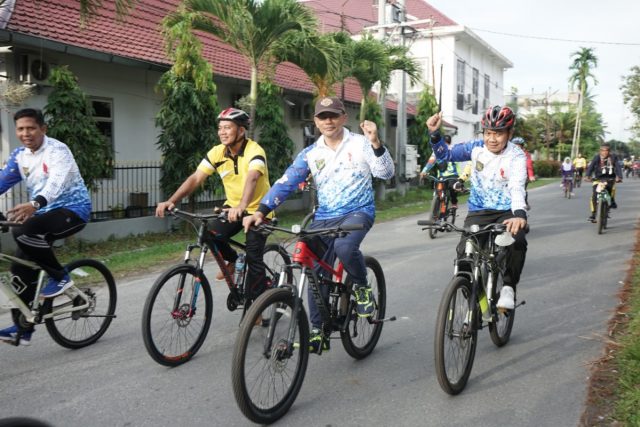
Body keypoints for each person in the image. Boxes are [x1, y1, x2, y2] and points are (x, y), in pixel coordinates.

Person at [243, 96, 394, 352]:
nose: (329, 121)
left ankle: (362, 287)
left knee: (346, 249)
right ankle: (318, 328)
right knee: (311, 267)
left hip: (357, 213)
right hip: (324, 217)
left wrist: (376, 143)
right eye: (323, 117)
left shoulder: (360, 143)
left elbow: (386, 173)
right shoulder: (311, 153)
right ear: (315, 121)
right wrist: (262, 210)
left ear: (344, 117)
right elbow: (287, 182)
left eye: (333, 115)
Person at [155, 107, 271, 306]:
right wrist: (172, 201)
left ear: (241, 131)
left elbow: (252, 178)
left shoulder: (254, 151)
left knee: (254, 258)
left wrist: (242, 206)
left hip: (259, 210)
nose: (222, 132)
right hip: (232, 207)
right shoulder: (217, 152)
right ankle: (233, 260)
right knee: (211, 234)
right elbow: (196, 178)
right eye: (220, 128)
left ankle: (258, 305)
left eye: (228, 127)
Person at [0, 108, 92, 346]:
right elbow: (1, 182)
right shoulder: (20, 156)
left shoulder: (57, 151)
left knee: (21, 230)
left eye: (31, 128)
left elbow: (56, 182)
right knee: (19, 271)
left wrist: (34, 204)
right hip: (42, 215)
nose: (25, 133)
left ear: (43, 128)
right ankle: (24, 328)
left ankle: (61, 277)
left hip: (72, 211)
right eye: (20, 129)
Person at [426, 105, 528, 311]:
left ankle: (508, 287)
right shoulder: (475, 147)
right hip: (479, 212)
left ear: (509, 133)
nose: (492, 139)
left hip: (507, 212)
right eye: (489, 133)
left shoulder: (517, 156)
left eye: (498, 134)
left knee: (517, 241)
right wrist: (435, 134)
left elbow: (517, 186)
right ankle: (476, 296)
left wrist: (519, 215)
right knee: (464, 259)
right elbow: (444, 156)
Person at [419, 134, 469, 209]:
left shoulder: (439, 150)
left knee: (452, 188)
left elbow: (431, 162)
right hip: (447, 176)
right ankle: (444, 203)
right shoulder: (454, 149)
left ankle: (453, 203)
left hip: (451, 176)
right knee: (444, 189)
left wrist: (424, 171)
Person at [585, 143, 623, 222]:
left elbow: (618, 167)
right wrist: (587, 176)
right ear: (600, 151)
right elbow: (591, 166)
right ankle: (593, 214)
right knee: (594, 196)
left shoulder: (613, 157)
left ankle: (611, 201)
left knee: (611, 191)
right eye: (602, 150)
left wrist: (619, 177)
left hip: (610, 179)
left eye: (606, 151)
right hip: (598, 179)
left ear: (609, 151)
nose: (604, 152)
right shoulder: (597, 157)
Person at [511, 137, 535, 210]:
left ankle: (524, 202)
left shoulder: (525, 154)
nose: (517, 147)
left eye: (519, 146)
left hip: (522, 175)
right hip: (510, 174)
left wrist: (531, 176)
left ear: (522, 146)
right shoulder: (507, 153)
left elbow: (529, 165)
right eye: (515, 145)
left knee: (522, 189)